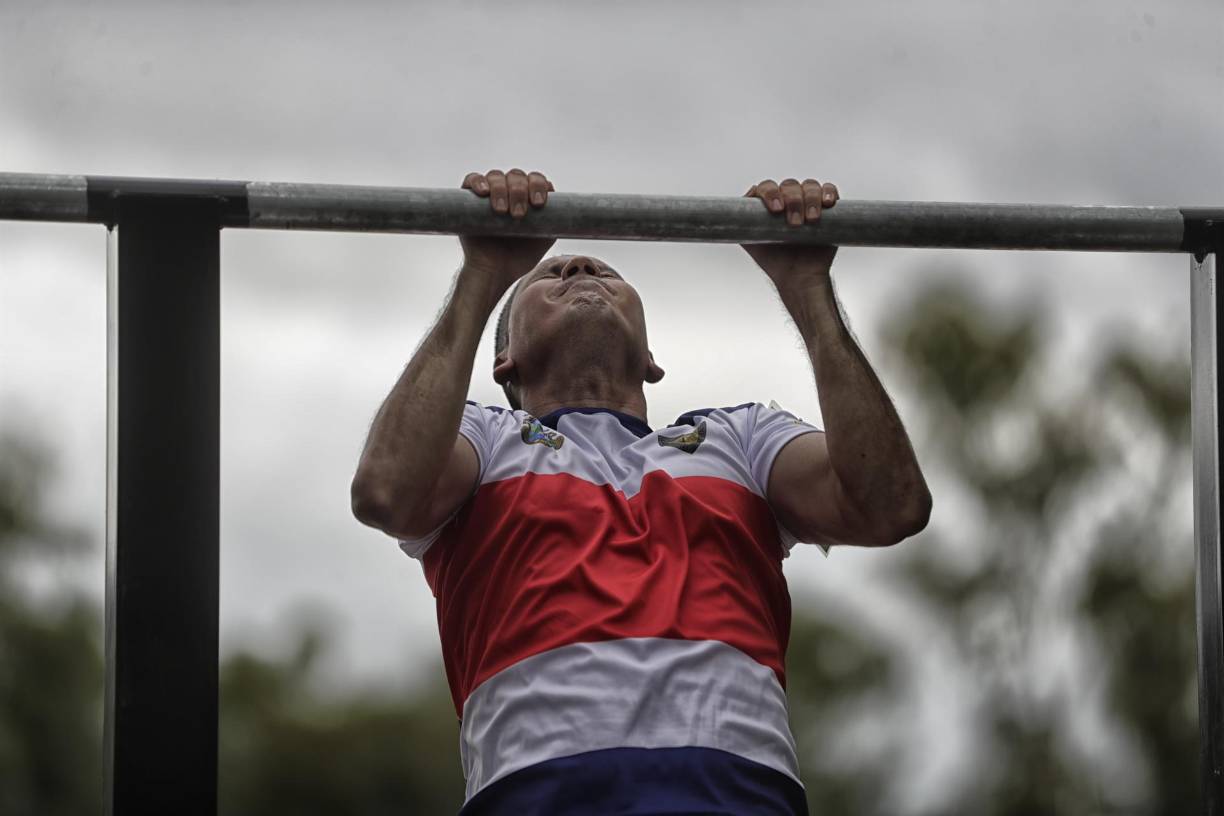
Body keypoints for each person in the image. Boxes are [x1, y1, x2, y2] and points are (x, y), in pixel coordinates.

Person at [351, 168, 932, 815]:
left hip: (737, 801)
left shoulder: (738, 439)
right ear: (504, 361)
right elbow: (385, 492)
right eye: (548, 275)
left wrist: (807, 290)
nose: (577, 267)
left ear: (652, 356)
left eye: (603, 270)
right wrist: (482, 275)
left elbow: (891, 505)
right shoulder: (482, 441)